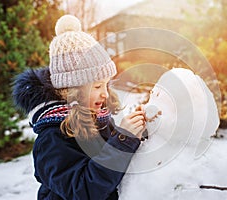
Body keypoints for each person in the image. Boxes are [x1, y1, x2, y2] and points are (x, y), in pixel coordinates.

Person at [12, 15, 146, 200]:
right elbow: (82, 190)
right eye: (97, 86)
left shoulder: (98, 118)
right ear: (72, 90)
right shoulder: (52, 138)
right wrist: (123, 139)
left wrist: (139, 130)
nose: (105, 94)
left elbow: (115, 156)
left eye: (106, 85)